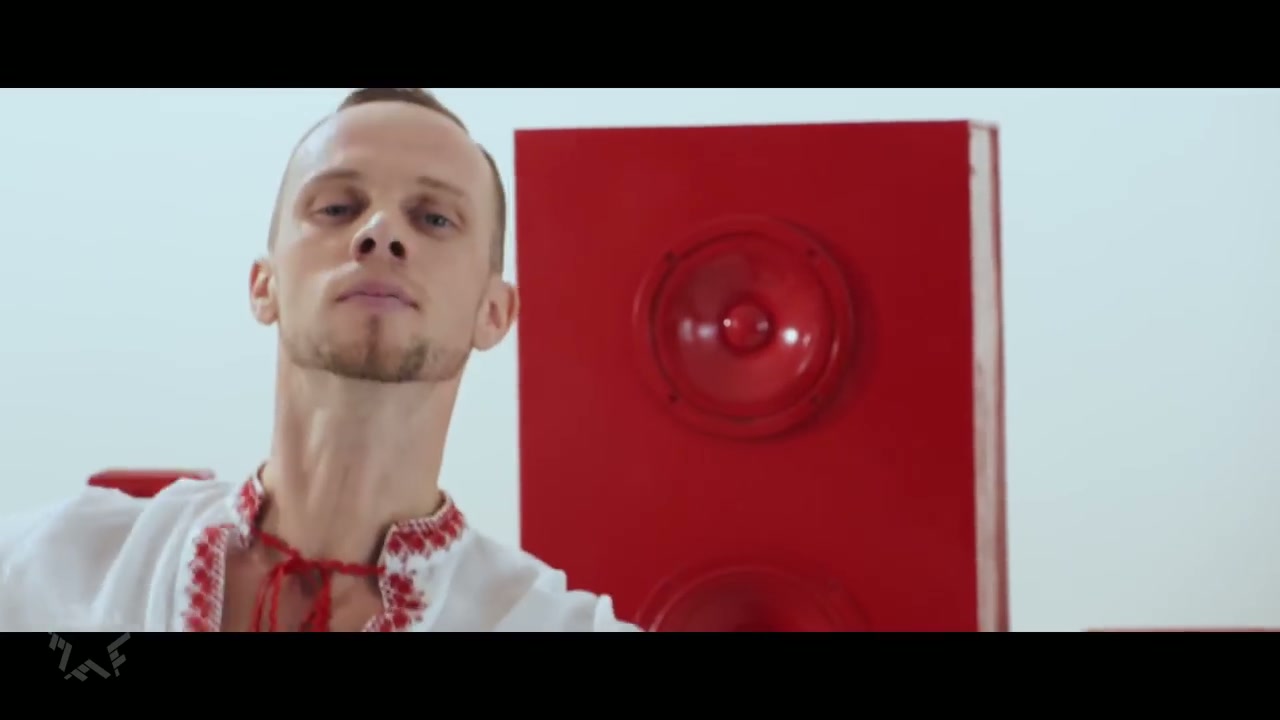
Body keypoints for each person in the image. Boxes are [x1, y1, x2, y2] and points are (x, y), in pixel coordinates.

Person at [0, 88, 640, 632]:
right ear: (264, 285)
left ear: (494, 312)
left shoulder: (547, 623)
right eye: (337, 207)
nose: (380, 232)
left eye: (434, 218)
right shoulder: (53, 572)